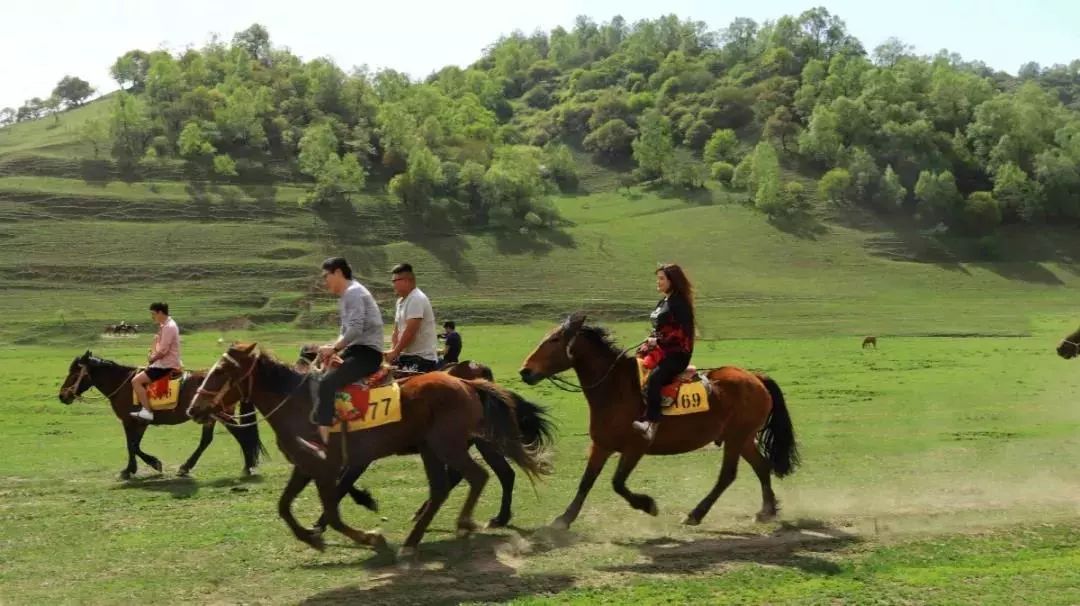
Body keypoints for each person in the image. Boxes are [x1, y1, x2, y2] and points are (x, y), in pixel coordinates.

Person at [297, 257, 385, 459]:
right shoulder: (348, 295)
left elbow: (355, 328)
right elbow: (344, 331)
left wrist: (335, 348)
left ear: (337, 272)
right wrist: (332, 350)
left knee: (327, 383)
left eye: (326, 276)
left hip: (366, 353)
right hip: (355, 350)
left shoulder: (354, 293)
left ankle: (323, 442)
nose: (324, 281)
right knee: (317, 377)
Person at [631, 264, 696, 443]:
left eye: (662, 279)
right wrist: (651, 340)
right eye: (658, 278)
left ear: (672, 281)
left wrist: (658, 340)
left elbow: (682, 333)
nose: (658, 282)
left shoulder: (680, 303)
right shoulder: (665, 301)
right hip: (660, 349)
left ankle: (651, 423)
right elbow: (660, 328)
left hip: (676, 354)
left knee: (654, 379)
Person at [130, 303, 181, 422]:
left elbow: (163, 351)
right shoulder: (166, 325)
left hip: (164, 366)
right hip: (163, 363)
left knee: (136, 381)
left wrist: (152, 359)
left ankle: (147, 411)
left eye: (153, 314)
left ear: (160, 313)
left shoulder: (169, 327)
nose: (152, 317)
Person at [386, 263, 439, 373]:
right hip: (406, 356)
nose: (393, 285)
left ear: (407, 281)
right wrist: (393, 352)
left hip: (421, 358)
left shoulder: (416, 299)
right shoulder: (400, 301)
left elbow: (410, 332)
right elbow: (396, 331)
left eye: (395, 281)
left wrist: (395, 352)